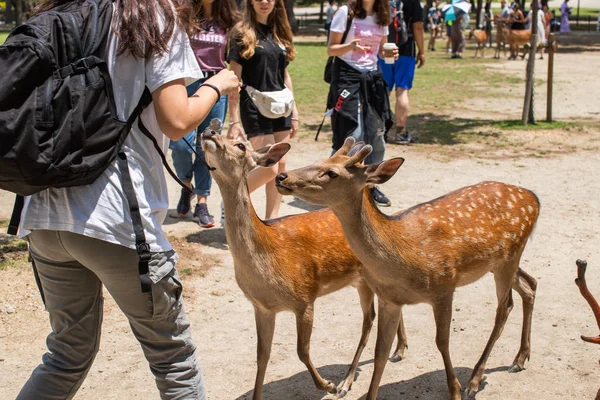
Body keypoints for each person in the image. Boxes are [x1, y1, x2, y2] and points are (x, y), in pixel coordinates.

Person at [15, 0, 241, 399]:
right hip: (116, 216)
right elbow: (177, 121)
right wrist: (216, 85)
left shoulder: (60, 12)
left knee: (66, 355)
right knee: (173, 360)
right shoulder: (152, 17)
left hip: (44, 214)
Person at [170, 0, 240, 228]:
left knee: (207, 147)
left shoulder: (228, 21)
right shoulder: (183, 16)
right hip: (187, 84)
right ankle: (185, 185)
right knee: (180, 145)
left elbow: (234, 61)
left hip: (216, 87)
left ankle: (202, 201)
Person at [227, 0, 299, 220]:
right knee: (269, 168)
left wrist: (294, 111)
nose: (264, 2)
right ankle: (232, 199)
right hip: (254, 106)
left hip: (281, 106)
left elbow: (284, 75)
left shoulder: (280, 32)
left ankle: (272, 222)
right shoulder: (241, 34)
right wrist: (234, 121)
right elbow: (234, 80)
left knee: (281, 169)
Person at [327, 0, 395, 206]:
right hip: (348, 77)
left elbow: (382, 50)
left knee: (376, 135)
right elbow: (331, 49)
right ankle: (335, 182)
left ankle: (371, 186)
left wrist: (389, 53)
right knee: (352, 134)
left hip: (372, 78)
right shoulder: (345, 13)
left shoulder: (382, 14)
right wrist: (350, 46)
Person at [380, 0, 424, 145]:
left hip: (385, 48)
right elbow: (417, 27)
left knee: (383, 90)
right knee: (402, 90)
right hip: (406, 50)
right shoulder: (413, 2)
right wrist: (422, 51)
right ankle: (400, 133)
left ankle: (379, 130)